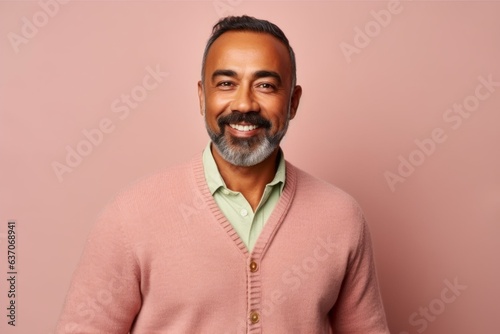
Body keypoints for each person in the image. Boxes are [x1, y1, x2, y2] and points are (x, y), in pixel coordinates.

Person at [56, 15, 389, 333]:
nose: (244, 104)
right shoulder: (132, 215)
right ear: (203, 96)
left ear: (293, 101)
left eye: (266, 85)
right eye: (227, 83)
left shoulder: (341, 217)